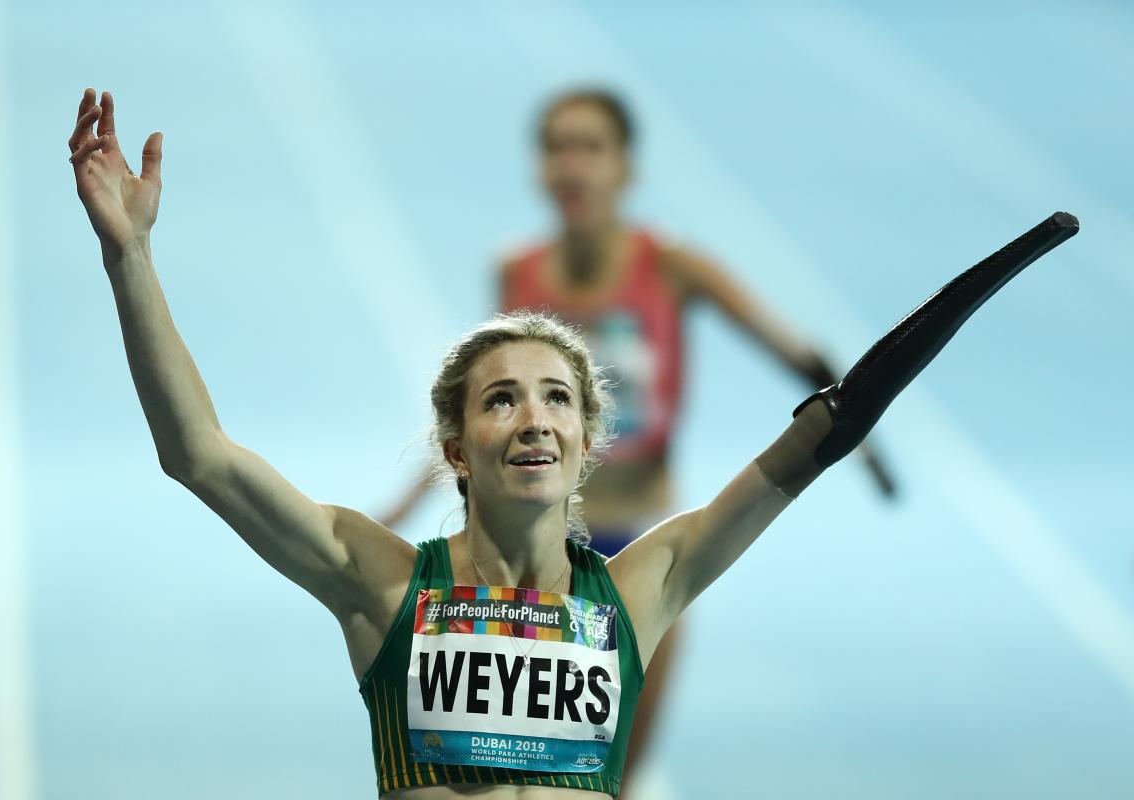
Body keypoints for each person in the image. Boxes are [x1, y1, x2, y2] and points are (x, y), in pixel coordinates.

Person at [68, 87, 1077, 798]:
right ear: (457, 445)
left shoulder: (642, 587)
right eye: (501, 398)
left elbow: (827, 425)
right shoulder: (378, 582)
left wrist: (986, 279)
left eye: (557, 397)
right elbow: (198, 451)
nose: (534, 415)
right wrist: (131, 256)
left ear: (585, 441)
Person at [379, 87, 896, 785]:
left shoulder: (674, 268)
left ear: (626, 167)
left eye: (590, 147)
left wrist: (863, 442)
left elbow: (796, 353)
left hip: (643, 549)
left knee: (613, 775)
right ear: (539, 168)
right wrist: (411, 498)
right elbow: (477, 407)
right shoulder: (517, 272)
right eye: (556, 148)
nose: (572, 165)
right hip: (537, 552)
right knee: (513, 776)